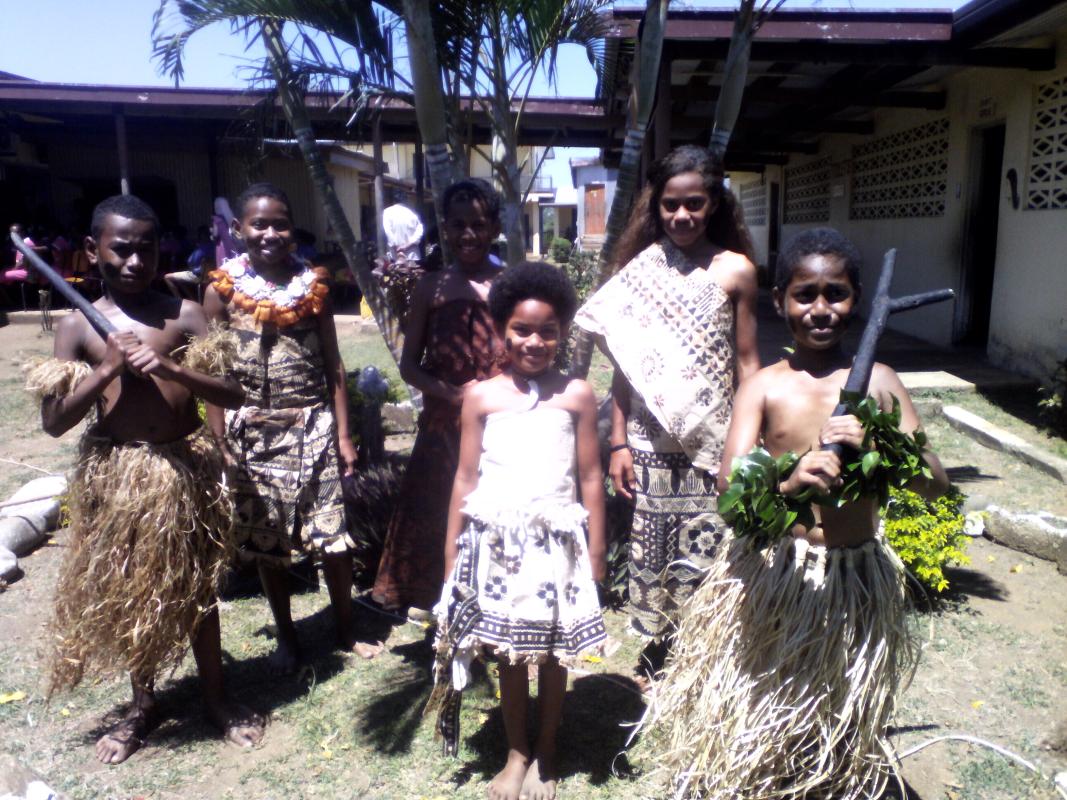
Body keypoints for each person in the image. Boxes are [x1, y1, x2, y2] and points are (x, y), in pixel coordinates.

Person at [642, 227, 950, 798]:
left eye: (836, 293)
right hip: (779, 573)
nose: (821, 309)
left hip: (854, 577)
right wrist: (788, 480)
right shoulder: (763, 387)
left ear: (857, 299)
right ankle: (766, 775)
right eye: (805, 294)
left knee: (838, 705)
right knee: (770, 692)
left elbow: (936, 486)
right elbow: (730, 488)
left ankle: (830, 777)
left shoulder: (879, 383)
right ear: (780, 299)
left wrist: (879, 446)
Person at [25, 194, 264, 764]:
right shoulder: (76, 326)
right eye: (120, 249)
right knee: (136, 597)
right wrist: (105, 367)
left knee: (199, 595)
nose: (134, 262)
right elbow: (56, 423)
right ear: (93, 249)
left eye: (146, 249)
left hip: (183, 472)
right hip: (119, 480)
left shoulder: (182, 316)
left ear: (161, 251)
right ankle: (142, 705)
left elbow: (234, 392)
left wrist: (174, 366)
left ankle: (215, 696)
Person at [573, 145, 760, 676]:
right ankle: (662, 650)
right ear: (655, 206)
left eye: (695, 204)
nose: (682, 216)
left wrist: (751, 440)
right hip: (652, 442)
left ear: (715, 204)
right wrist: (618, 442)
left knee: (714, 542)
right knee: (654, 546)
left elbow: (748, 363)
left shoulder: (738, 272)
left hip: (717, 438)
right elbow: (627, 366)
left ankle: (710, 651)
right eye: (670, 205)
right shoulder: (641, 270)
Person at [430, 261, 607, 800]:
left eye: (547, 331)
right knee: (509, 652)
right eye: (522, 330)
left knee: (553, 653)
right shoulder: (481, 397)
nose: (534, 341)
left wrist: (596, 552)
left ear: (562, 333)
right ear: (502, 328)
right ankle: (516, 750)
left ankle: (546, 749)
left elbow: (591, 477)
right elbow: (465, 477)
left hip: (557, 547)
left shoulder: (576, 395)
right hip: (498, 547)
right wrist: (452, 551)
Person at [203, 182, 379, 669]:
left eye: (280, 223)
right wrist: (220, 441)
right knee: (267, 545)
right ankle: (288, 637)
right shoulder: (221, 292)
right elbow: (212, 373)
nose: (270, 233)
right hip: (250, 435)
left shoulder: (313, 286)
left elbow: (334, 367)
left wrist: (343, 435)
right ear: (238, 230)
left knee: (334, 540)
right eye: (259, 224)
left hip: (314, 428)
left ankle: (346, 630)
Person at [372, 179, 506, 615]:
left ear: (495, 227)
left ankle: (494, 598)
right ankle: (438, 598)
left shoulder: (508, 284)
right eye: (458, 224)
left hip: (503, 424)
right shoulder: (432, 286)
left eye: (479, 224)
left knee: (496, 509)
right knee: (438, 509)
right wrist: (452, 392)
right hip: (445, 425)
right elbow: (410, 366)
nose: (469, 234)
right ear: (444, 229)